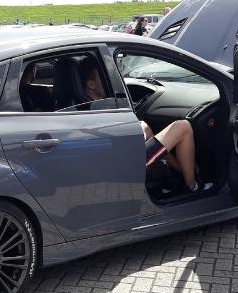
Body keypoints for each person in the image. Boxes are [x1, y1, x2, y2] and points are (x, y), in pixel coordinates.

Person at [78, 58, 208, 192]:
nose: (111, 79)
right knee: (183, 127)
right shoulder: (96, 109)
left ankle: (182, 171)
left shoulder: (83, 106)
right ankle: (193, 187)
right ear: (91, 84)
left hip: (116, 158)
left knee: (145, 127)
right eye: (104, 76)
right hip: (123, 165)